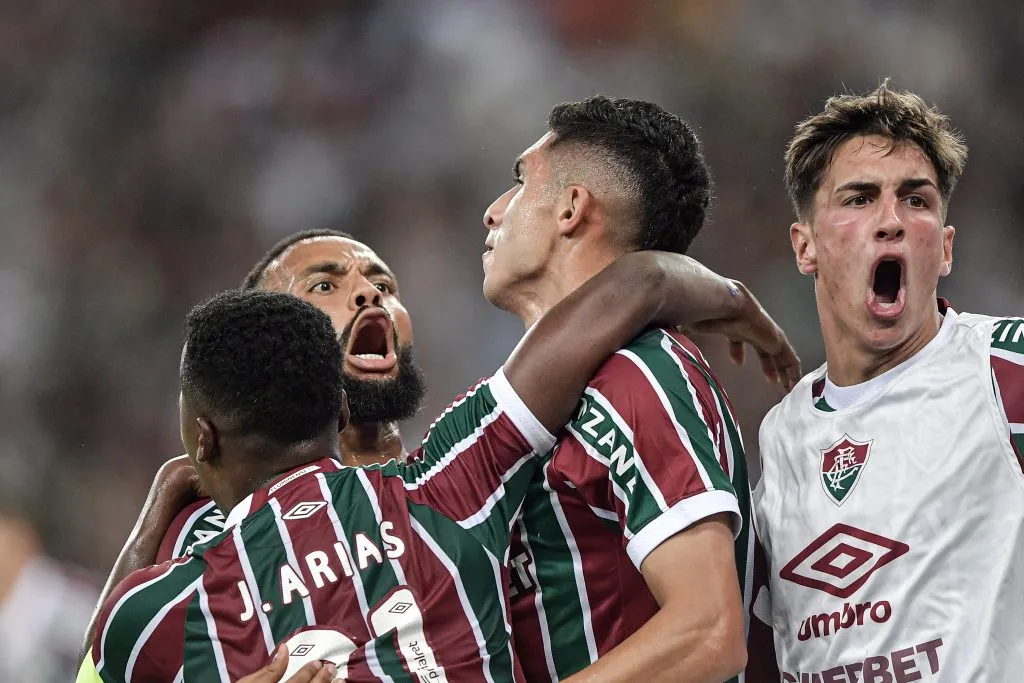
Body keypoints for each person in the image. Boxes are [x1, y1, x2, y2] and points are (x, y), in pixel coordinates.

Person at [78, 246, 793, 682]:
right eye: (324, 284)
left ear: (202, 433)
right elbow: (636, 284)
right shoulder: (459, 481)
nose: (367, 292)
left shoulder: (489, 469)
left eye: (382, 280)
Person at [481, 95, 780, 682]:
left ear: (571, 208)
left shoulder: (638, 376)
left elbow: (708, 631)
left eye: (519, 182)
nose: (493, 212)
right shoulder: (552, 398)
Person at [753, 82, 1024, 681]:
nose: (891, 221)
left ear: (945, 249)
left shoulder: (1003, 367)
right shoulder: (780, 436)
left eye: (916, 201)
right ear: (806, 247)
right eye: (858, 198)